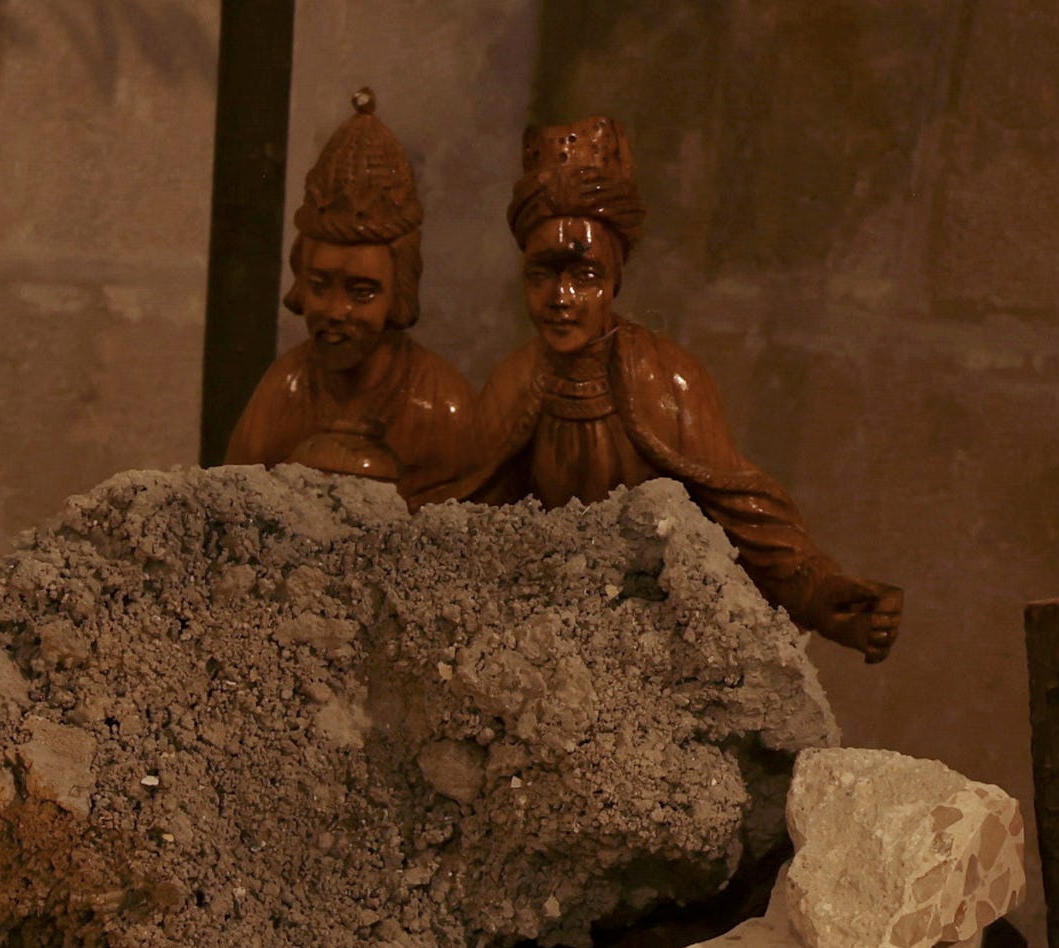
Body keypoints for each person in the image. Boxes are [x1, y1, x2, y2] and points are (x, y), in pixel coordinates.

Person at [437, 119, 901, 663]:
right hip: (542, 648)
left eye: (583, 276)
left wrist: (821, 594)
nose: (560, 298)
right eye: (542, 276)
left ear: (615, 279)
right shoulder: (514, 384)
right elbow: (463, 521)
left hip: (656, 647)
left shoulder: (668, 381)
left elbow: (746, 514)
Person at [218, 92, 483, 497]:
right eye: (320, 286)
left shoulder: (444, 408)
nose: (336, 311)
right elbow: (229, 503)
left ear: (400, 290)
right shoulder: (284, 391)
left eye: (361, 293)